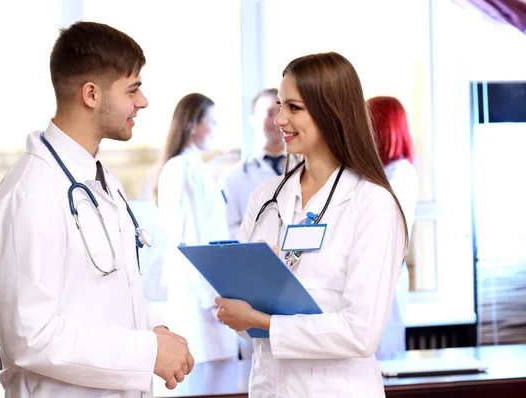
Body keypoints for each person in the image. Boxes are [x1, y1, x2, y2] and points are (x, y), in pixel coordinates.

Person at [0, 21, 193, 397]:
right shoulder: (30, 194)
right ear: (91, 94)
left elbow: (109, 290)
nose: (142, 102)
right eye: (133, 89)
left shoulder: (99, 178)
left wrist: (154, 328)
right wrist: (148, 352)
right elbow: (30, 336)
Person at [215, 52, 408, 397]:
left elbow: (360, 333)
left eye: (293, 108)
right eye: (278, 106)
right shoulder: (266, 198)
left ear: (330, 110)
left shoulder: (371, 202)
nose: (279, 120)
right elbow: (242, 319)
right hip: (269, 388)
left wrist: (262, 319)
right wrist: (244, 308)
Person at [155, 93, 239, 364]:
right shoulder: (182, 168)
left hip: (204, 287)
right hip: (198, 292)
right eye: (211, 123)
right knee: (206, 374)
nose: (215, 130)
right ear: (192, 124)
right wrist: (210, 298)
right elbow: (190, 239)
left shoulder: (193, 167)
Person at [367, 96, 419, 358]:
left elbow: (380, 225)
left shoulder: (401, 174)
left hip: (384, 277)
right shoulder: (381, 172)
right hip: (372, 279)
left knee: (384, 361)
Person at [221, 88, 287, 239]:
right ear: (253, 120)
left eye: (281, 112)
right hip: (253, 259)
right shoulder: (233, 178)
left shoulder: (304, 169)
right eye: (269, 113)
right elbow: (230, 230)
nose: (277, 120)